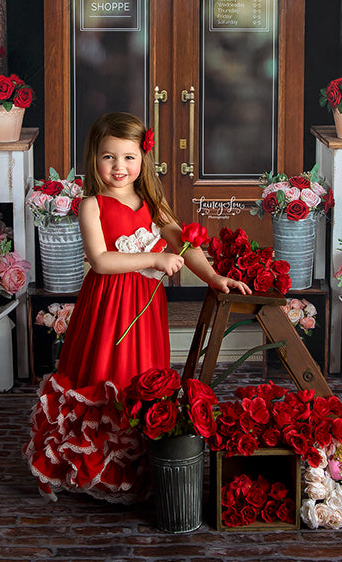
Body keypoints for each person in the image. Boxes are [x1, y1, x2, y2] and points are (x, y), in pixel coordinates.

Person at [24, 112, 251, 503]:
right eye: (108, 157)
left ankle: (136, 467)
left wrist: (214, 277)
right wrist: (154, 259)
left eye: (129, 157)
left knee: (140, 371)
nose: (119, 166)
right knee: (104, 368)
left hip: (144, 310)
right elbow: (100, 260)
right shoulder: (92, 205)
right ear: (94, 158)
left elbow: (184, 244)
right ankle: (92, 466)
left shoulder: (152, 204)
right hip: (107, 306)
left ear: (143, 158)